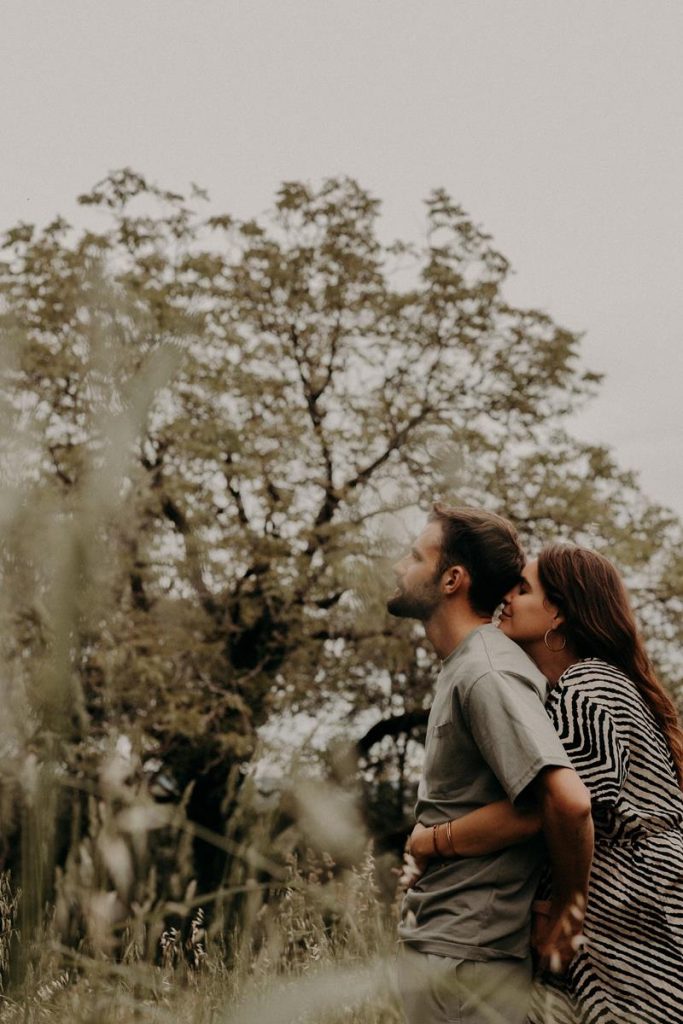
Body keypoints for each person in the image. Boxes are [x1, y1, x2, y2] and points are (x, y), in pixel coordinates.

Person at [412, 543, 683, 1023]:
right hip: (637, 895)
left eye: (523, 589)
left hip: (630, 904)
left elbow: (554, 808)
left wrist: (433, 841)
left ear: (559, 613)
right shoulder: (600, 683)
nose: (506, 600)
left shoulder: (586, 689)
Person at [388, 505, 594, 1024]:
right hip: (450, 953)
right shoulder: (466, 667)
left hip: (467, 960)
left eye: (414, 556)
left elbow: (561, 801)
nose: (399, 566)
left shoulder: (486, 671)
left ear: (452, 579)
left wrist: (568, 916)